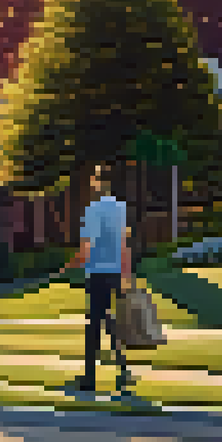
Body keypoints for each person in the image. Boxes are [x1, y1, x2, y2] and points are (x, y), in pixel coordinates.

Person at [61, 166, 134, 394]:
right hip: (114, 272)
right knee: (108, 320)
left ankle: (89, 379)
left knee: (93, 325)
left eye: (94, 179)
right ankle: (123, 369)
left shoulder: (93, 210)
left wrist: (69, 265)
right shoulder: (120, 209)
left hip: (97, 273)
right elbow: (124, 244)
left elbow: (87, 246)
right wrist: (126, 274)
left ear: (98, 182)